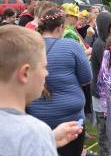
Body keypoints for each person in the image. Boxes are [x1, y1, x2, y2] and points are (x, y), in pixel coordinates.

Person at [0, 25, 83, 155]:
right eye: (44, 67)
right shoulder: (33, 133)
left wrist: (50, 138)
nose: (46, 73)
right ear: (25, 73)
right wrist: (41, 139)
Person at [26, 8, 92, 156]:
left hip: (36, 118)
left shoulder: (29, 47)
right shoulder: (71, 46)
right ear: (61, 27)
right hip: (71, 121)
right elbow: (86, 78)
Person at [91, 11, 111, 156]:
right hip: (101, 93)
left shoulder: (108, 43)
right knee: (104, 131)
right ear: (105, 27)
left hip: (109, 91)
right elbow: (109, 70)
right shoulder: (100, 45)